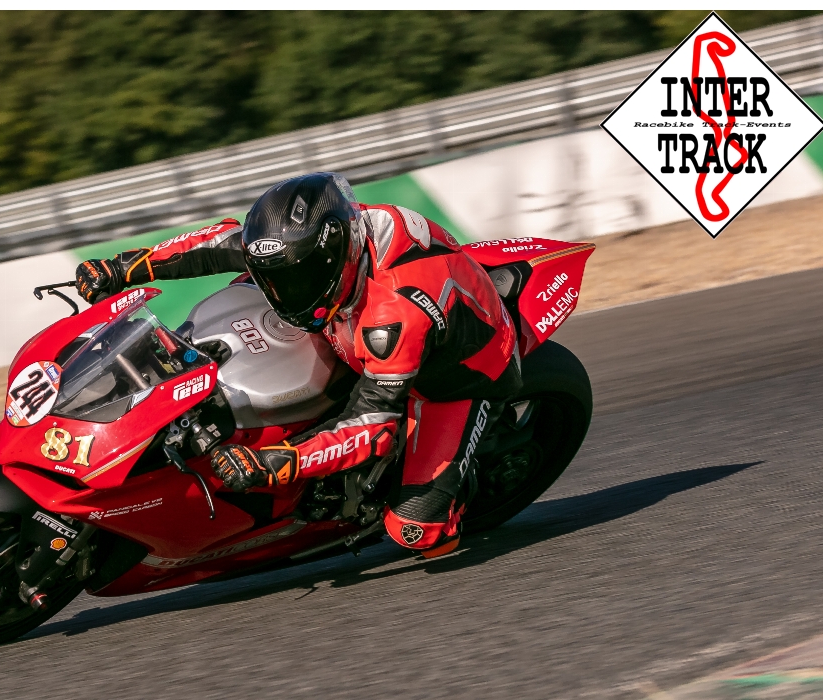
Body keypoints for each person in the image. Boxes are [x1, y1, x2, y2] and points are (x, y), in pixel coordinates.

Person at [75, 173, 519, 557]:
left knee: (418, 532)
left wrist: (279, 462)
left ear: (335, 257)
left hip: (454, 375)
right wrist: (124, 268)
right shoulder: (314, 239)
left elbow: (372, 426)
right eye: (274, 279)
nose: (282, 291)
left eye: (297, 279)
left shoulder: (392, 319)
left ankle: (452, 489)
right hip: (356, 315)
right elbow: (216, 244)